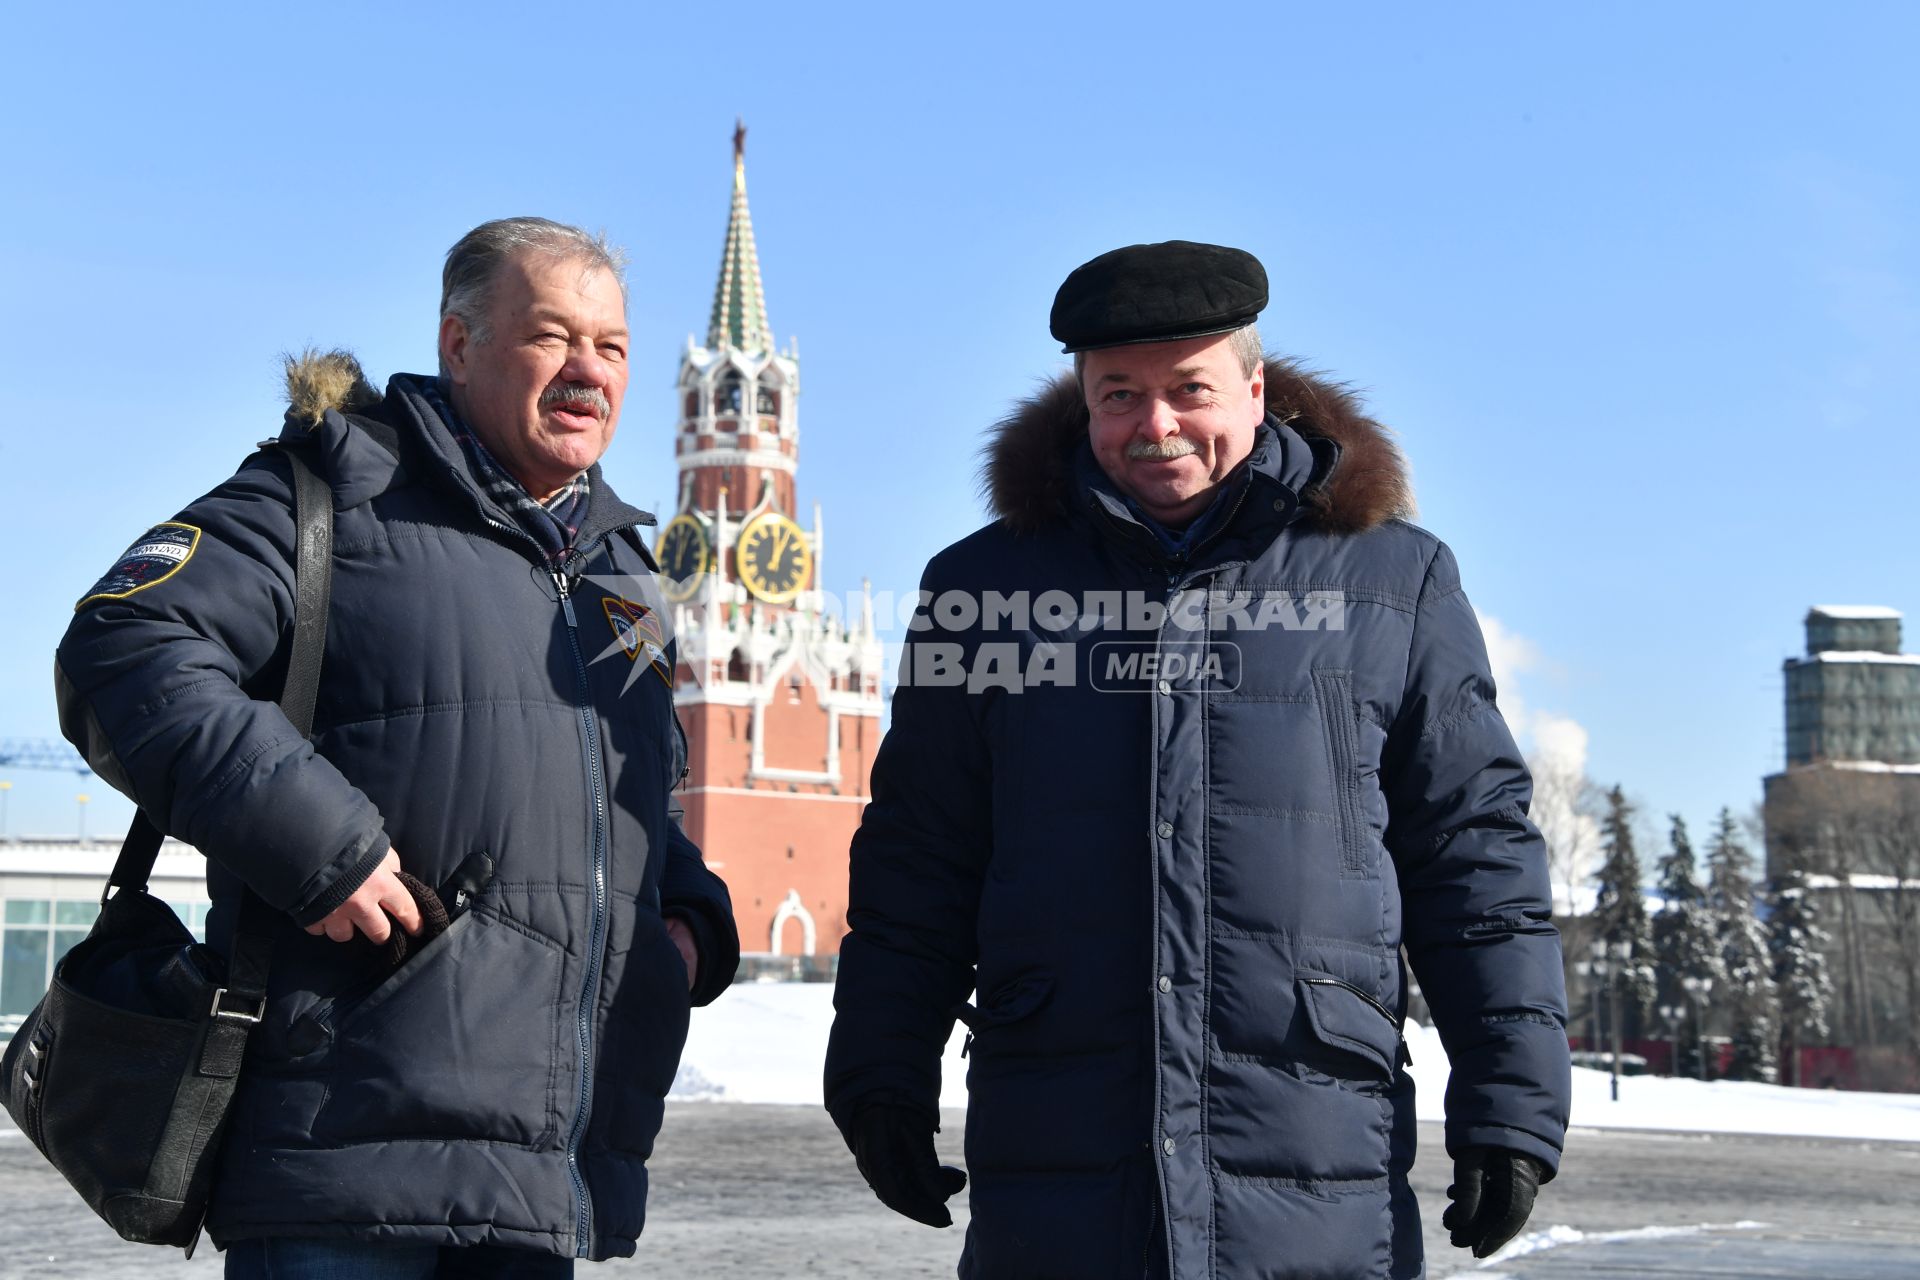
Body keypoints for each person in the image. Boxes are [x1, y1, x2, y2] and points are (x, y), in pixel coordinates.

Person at [824, 241, 1571, 1278]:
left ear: (1256, 388)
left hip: (1315, 1154)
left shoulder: (1394, 581)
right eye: (1120, 393)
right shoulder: (983, 586)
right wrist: (879, 1070)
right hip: (1060, 1154)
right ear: (1081, 402)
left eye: (1190, 389)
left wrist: (1511, 1099)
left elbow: (1473, 848)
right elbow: (921, 851)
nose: (1156, 424)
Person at [55, 217, 739, 1277]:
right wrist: (318, 842)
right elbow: (125, 639)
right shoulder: (336, 492)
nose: (586, 371)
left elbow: (634, 793)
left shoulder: (625, 574)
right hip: (347, 1161)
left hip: (540, 1180)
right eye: (551, 335)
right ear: (459, 344)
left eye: (610, 346)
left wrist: (686, 915)